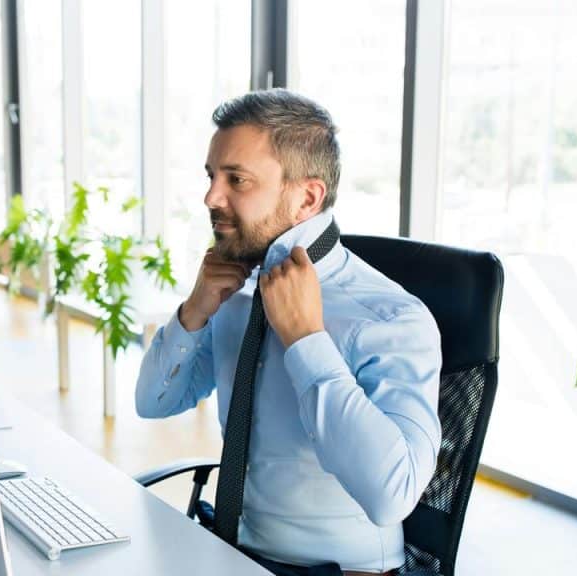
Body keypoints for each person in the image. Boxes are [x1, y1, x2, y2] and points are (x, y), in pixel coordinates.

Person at [135, 89, 442, 576]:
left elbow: (393, 495)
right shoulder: (235, 291)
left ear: (307, 197)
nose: (211, 197)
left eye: (237, 179)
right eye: (212, 177)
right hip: (228, 554)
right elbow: (154, 403)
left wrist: (306, 342)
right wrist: (193, 311)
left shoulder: (391, 318)